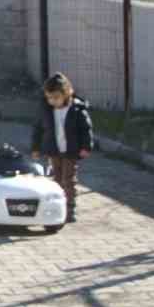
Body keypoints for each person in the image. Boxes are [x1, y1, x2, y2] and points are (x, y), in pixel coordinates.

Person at [29, 72, 94, 223]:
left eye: (56, 97)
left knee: (68, 180)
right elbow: (38, 129)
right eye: (49, 98)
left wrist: (86, 147)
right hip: (54, 150)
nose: (52, 101)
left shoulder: (77, 109)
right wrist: (36, 148)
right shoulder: (45, 110)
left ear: (66, 93)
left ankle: (70, 210)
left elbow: (86, 129)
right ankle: (57, 208)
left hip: (71, 150)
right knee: (56, 180)